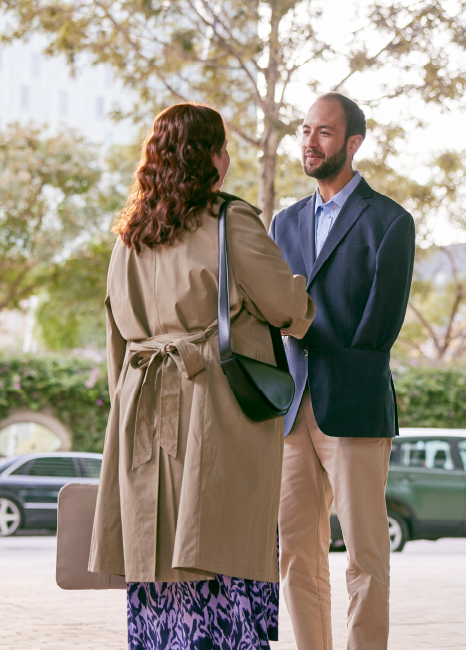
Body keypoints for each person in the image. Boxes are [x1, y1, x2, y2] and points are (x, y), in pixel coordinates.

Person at [88, 103, 316, 650]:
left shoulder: (130, 234)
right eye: (222, 146)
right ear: (210, 157)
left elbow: (117, 334)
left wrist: (126, 403)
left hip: (141, 403)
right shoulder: (229, 219)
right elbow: (287, 305)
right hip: (213, 401)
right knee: (221, 533)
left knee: (158, 543)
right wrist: (298, 291)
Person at [269, 93, 415, 650]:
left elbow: (379, 329)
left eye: (324, 132)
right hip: (291, 410)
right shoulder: (285, 222)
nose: (310, 141)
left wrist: (303, 330)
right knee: (296, 557)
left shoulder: (389, 222)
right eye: (305, 130)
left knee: (365, 558)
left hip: (353, 406)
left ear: (353, 143)